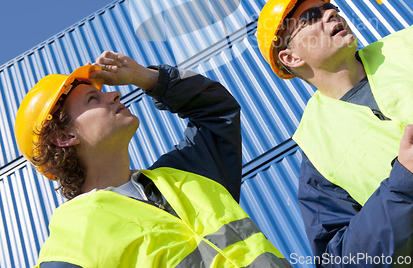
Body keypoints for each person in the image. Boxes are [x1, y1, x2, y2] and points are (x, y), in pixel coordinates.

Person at [256, 0, 413, 268]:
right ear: (291, 58)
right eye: (311, 17)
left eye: (330, 8)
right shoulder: (317, 150)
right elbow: (345, 261)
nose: (331, 14)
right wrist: (408, 185)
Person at [15, 51, 290, 268]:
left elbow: (217, 111)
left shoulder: (187, 174)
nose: (114, 93)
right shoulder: (74, 237)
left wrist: (144, 76)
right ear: (63, 138)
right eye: (92, 99)